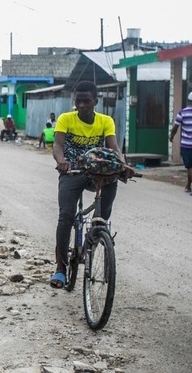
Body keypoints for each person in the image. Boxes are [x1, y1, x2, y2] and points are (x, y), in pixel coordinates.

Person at [50, 81, 133, 289]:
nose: (81, 105)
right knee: (66, 216)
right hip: (72, 172)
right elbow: (58, 146)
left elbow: (113, 148)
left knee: (102, 215)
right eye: (78, 101)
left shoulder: (105, 121)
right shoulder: (65, 119)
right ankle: (61, 267)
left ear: (95, 101)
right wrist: (61, 162)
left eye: (86, 101)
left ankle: (93, 238)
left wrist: (122, 165)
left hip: (97, 172)